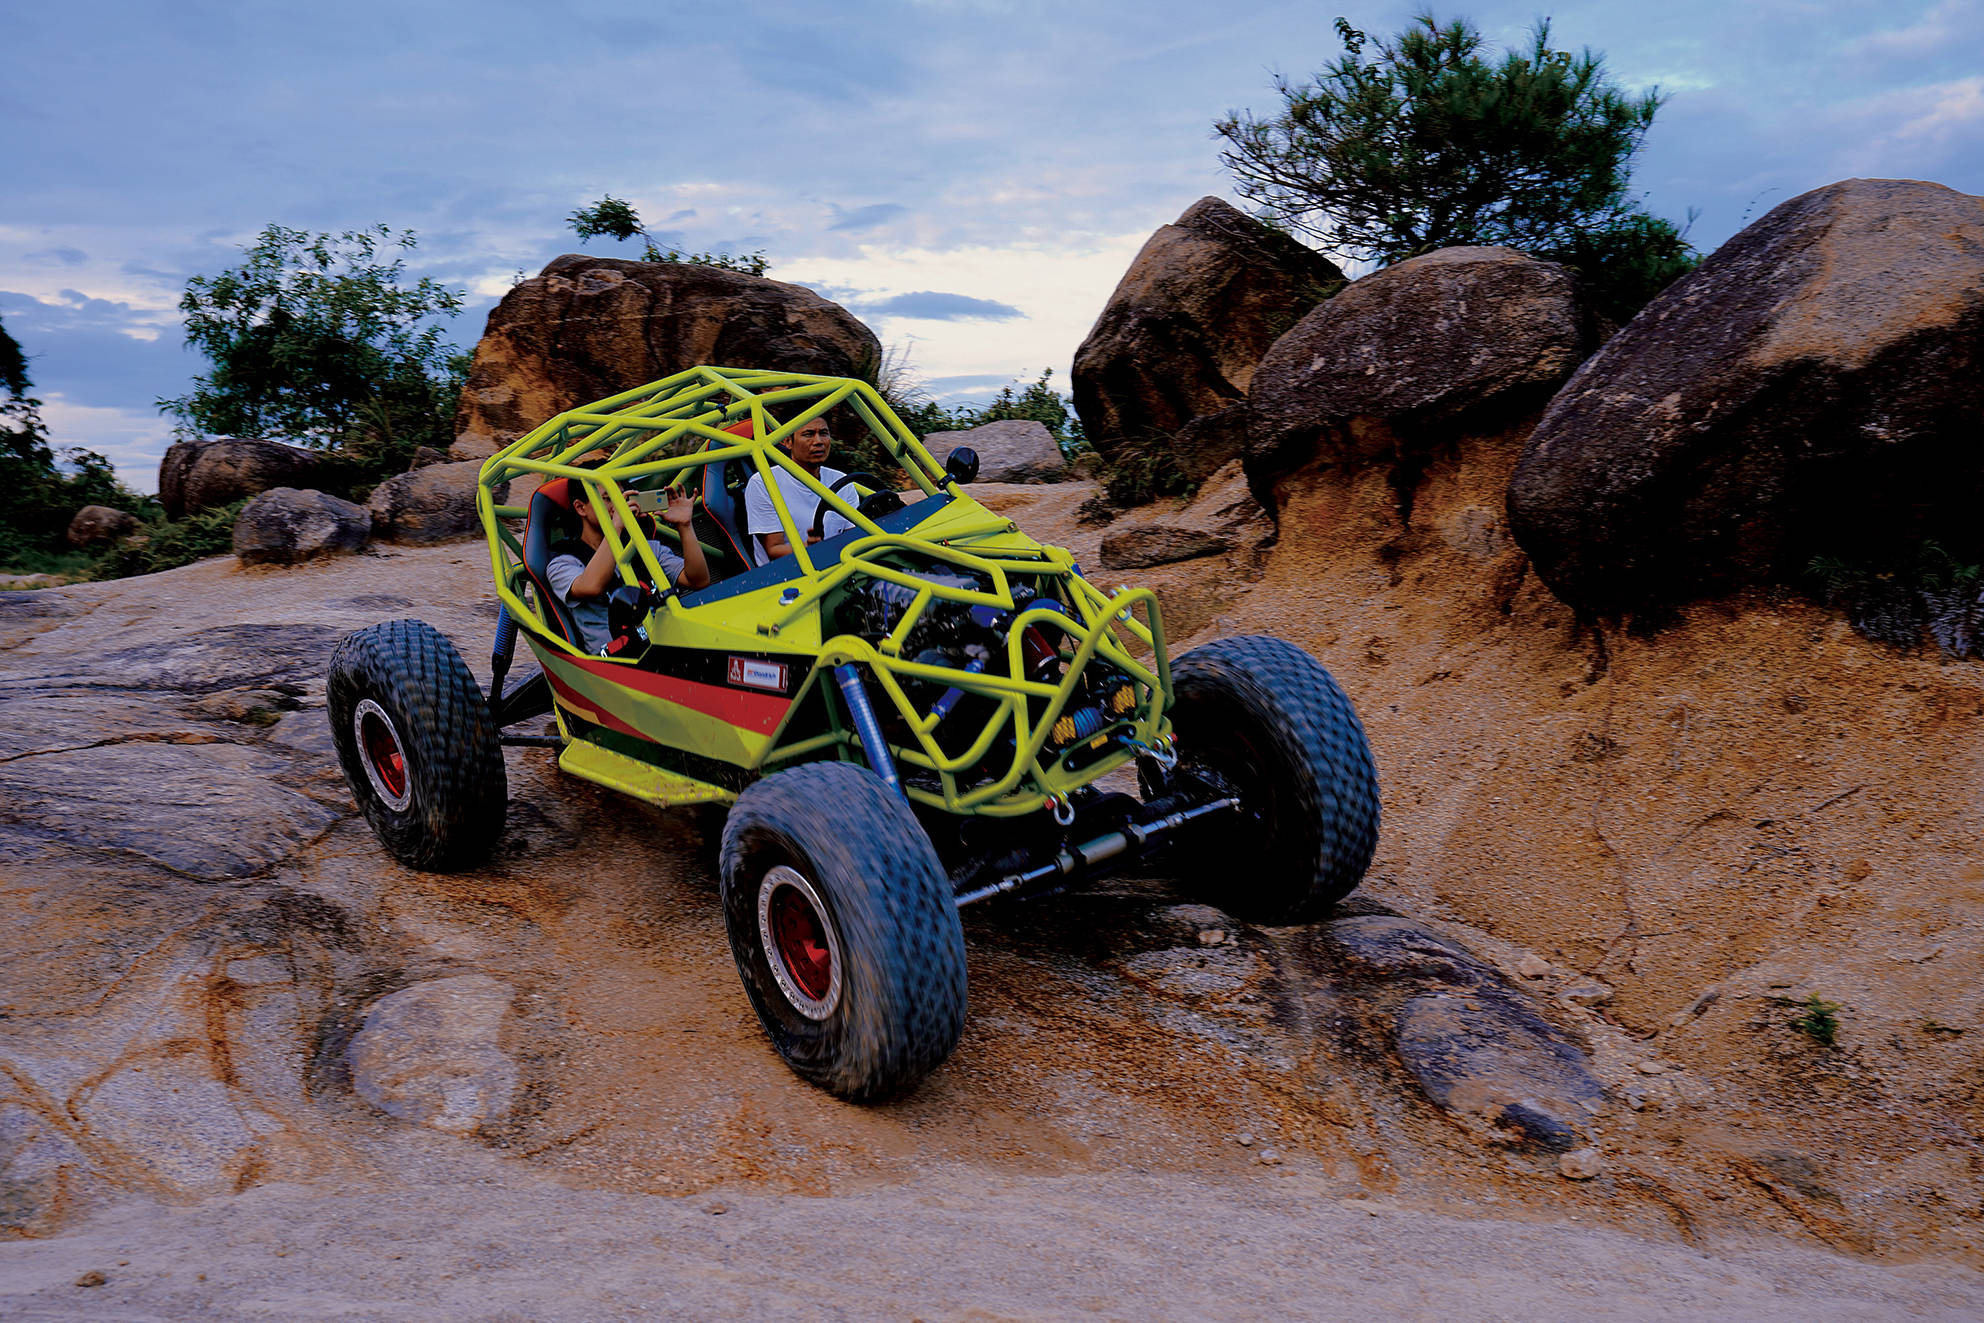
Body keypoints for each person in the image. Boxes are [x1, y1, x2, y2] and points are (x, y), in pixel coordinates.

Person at [546, 481, 711, 653]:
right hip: (615, 666)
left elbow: (698, 580)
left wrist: (685, 526)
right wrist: (616, 526)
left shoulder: (643, 548)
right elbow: (592, 586)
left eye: (622, 498)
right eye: (609, 499)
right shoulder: (562, 564)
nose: (618, 505)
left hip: (667, 647)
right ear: (581, 508)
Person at [741, 417, 855, 565]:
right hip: (791, 578)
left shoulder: (841, 480)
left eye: (824, 433)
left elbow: (853, 536)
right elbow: (774, 550)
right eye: (808, 434)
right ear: (788, 441)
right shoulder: (763, 483)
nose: (818, 441)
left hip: (843, 568)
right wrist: (808, 547)